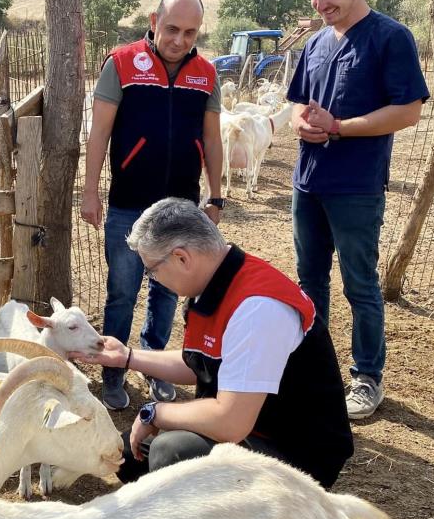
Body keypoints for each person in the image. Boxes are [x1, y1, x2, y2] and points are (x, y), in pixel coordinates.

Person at [69, 197, 353, 490]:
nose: (151, 278)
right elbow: (201, 363)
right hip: (254, 430)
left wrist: (157, 412)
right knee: (132, 454)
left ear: (182, 258)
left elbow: (230, 421)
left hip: (296, 457)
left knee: (173, 452)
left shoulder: (257, 308)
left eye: (151, 270)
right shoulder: (215, 283)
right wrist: (127, 357)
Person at [286, 0, 429, 419]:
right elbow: (295, 104)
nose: (321, 4)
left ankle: (367, 376)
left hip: (356, 186)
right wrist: (299, 124)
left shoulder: (390, 37)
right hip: (308, 182)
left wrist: (340, 127)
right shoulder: (315, 43)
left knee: (359, 284)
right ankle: (314, 367)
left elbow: (408, 111)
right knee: (309, 282)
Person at [80, 0, 226, 411]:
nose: (180, 40)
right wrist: (90, 191)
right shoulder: (122, 63)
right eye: (172, 29)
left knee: (168, 291)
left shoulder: (206, 73)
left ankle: (156, 366)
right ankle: (112, 372)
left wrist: (216, 196)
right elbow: (99, 133)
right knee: (122, 292)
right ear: (153, 21)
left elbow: (212, 138)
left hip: (181, 209)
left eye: (190, 32)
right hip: (129, 202)